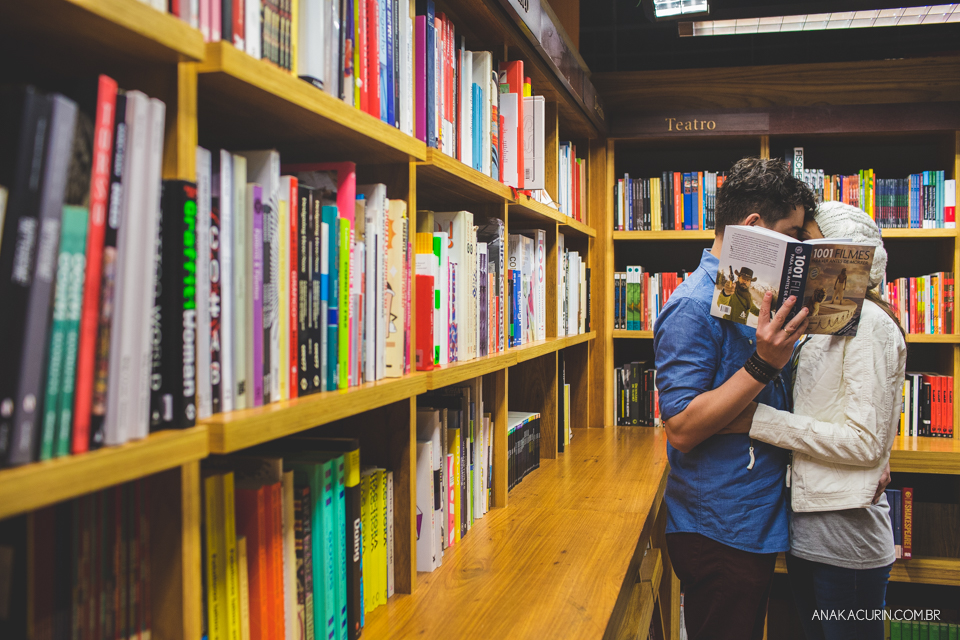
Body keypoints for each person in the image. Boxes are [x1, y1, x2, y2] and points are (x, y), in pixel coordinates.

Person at [722, 201, 905, 640]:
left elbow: (864, 441)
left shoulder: (870, 324)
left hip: (847, 543)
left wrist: (759, 420)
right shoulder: (824, 323)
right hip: (808, 534)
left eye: (809, 244)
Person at [653, 157, 818, 640]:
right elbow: (681, 428)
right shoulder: (692, 305)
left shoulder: (748, 293)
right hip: (719, 526)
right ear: (754, 227)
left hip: (753, 514)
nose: (797, 252)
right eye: (791, 236)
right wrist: (763, 364)